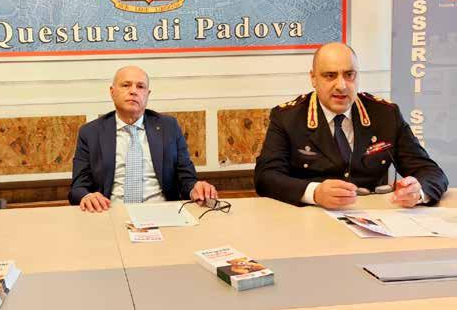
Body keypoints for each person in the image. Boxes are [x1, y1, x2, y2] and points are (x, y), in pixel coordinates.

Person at [254, 42, 448, 209]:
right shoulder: (287, 118)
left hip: (375, 218)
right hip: (312, 218)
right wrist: (314, 193)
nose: (341, 85)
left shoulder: (386, 115)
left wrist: (418, 192)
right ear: (313, 78)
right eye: (330, 75)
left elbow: (431, 172)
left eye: (349, 74)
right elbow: (266, 177)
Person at [69, 65, 217, 212]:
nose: (133, 91)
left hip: (162, 212)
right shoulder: (91, 132)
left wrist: (195, 189)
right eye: (126, 85)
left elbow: (187, 179)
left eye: (140, 87)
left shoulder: (169, 127)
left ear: (147, 94)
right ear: (112, 92)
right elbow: (78, 188)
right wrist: (86, 196)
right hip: (110, 211)